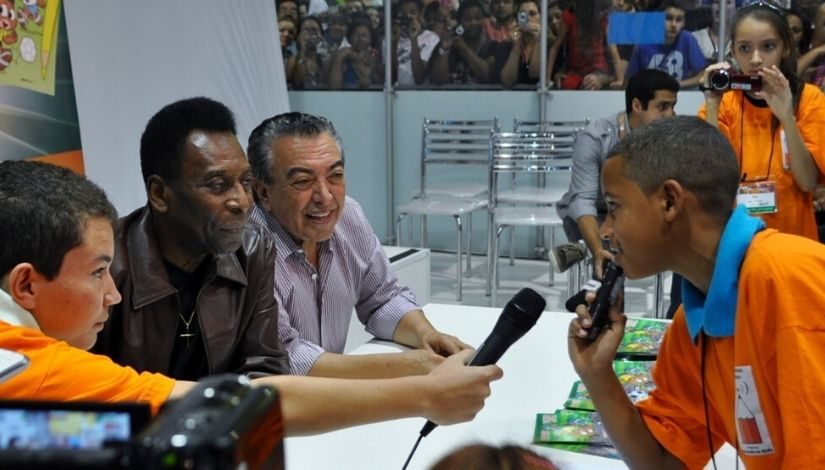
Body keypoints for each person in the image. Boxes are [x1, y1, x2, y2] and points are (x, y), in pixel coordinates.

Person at [0, 127, 501, 438]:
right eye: (95, 272)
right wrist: (421, 391)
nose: (112, 291)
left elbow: (263, 373)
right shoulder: (29, 367)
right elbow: (242, 400)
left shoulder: (256, 248)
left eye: (336, 176)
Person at [567, 114, 825, 469]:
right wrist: (597, 375)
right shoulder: (693, 326)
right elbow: (663, 462)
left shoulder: (787, 277)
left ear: (670, 201)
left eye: (614, 208)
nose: (606, 230)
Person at [247, 111, 471, 378]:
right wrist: (410, 367)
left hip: (330, 401)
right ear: (263, 192)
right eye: (303, 181)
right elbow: (286, 359)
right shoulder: (248, 247)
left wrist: (427, 335)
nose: (325, 196)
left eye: (335, 175)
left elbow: (383, 298)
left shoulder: (348, 216)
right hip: (270, 410)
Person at [699, 0, 825, 241]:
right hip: (736, 245)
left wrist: (787, 116)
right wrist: (712, 104)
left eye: (768, 46)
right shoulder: (724, 104)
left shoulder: (809, 99)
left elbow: (808, 182)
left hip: (793, 244)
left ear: (786, 48)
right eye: (745, 49)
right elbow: (710, 182)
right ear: (732, 52)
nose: (756, 59)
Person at [556, 69, 679, 279]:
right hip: (593, 212)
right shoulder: (595, 138)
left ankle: (580, 249)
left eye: (672, 106)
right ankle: (593, 251)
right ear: (637, 106)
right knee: (607, 265)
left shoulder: (668, 139)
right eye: (662, 107)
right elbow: (583, 200)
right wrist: (597, 250)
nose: (671, 115)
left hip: (635, 211)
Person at [626, 0, 706, 88]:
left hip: (680, 95)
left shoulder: (687, 38)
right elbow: (630, 80)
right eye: (668, 18)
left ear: (683, 23)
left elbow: (702, 75)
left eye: (678, 20)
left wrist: (676, 85)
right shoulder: (643, 44)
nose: (673, 24)